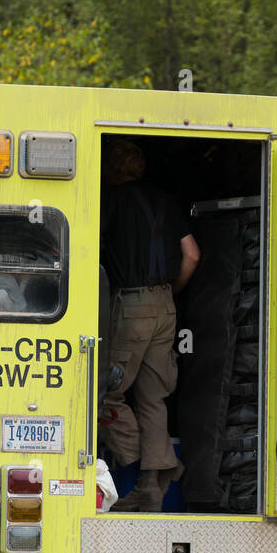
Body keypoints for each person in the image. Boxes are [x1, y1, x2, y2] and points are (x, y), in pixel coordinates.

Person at [99, 140, 201, 511]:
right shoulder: (167, 201)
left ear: (112, 168)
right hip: (166, 303)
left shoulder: (111, 200)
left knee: (105, 393)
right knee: (153, 397)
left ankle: (138, 459)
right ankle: (151, 486)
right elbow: (192, 254)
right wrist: (169, 292)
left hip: (131, 304)